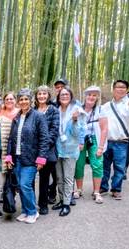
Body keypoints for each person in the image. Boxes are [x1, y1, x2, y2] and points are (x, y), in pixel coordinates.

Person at [5, 89, 48, 224]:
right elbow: (11, 139)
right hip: (17, 158)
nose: (23, 101)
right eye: (21, 99)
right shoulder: (17, 117)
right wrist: (9, 157)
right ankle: (24, 211)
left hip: (30, 158)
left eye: (26, 99)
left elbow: (44, 139)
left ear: (30, 100)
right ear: (18, 102)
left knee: (25, 185)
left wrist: (41, 158)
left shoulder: (38, 116)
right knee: (20, 185)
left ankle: (32, 212)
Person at [100, 80, 129, 199]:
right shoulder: (106, 106)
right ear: (113, 89)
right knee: (104, 166)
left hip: (122, 142)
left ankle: (116, 189)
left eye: (123, 87)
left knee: (119, 167)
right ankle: (103, 187)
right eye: (118, 87)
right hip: (106, 141)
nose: (120, 89)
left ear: (126, 90)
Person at [53, 86, 86, 216]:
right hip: (58, 149)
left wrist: (75, 120)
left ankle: (67, 203)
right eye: (62, 95)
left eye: (67, 94)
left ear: (71, 96)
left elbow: (78, 133)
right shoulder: (56, 110)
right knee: (59, 178)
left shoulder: (77, 111)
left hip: (71, 150)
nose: (64, 96)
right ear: (58, 97)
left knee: (68, 178)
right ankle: (61, 200)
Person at [73, 86, 108, 204]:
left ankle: (96, 191)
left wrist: (101, 147)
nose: (91, 97)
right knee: (79, 163)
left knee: (97, 163)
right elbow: (72, 125)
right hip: (80, 139)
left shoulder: (100, 110)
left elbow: (104, 129)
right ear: (85, 96)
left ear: (97, 97)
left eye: (94, 95)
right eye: (89, 95)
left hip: (94, 138)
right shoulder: (78, 108)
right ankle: (78, 189)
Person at [34, 86, 60, 215]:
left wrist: (42, 148)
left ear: (48, 96)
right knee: (30, 179)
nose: (42, 96)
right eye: (39, 94)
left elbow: (54, 131)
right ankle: (31, 204)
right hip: (32, 150)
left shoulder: (53, 111)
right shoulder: (32, 110)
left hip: (47, 150)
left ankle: (43, 204)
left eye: (44, 94)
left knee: (44, 179)